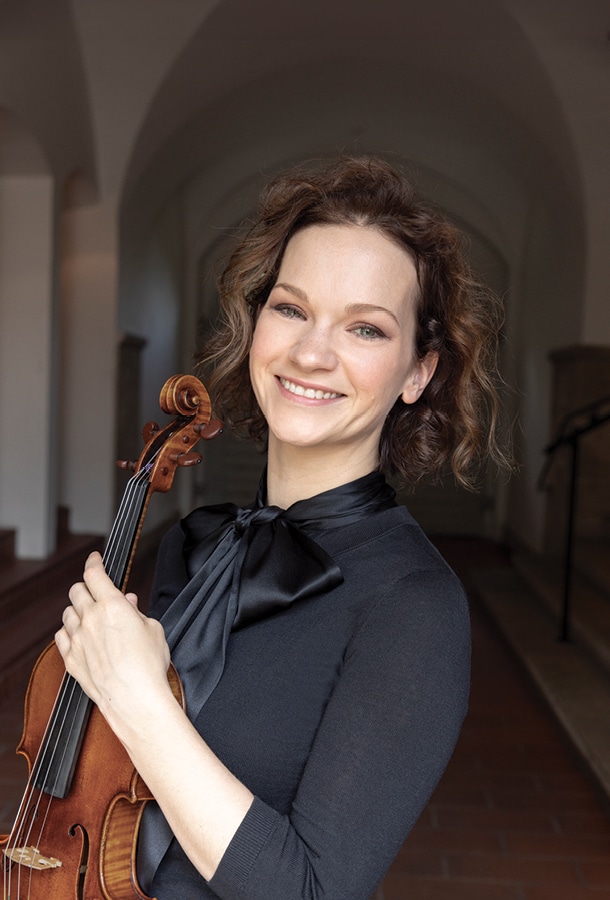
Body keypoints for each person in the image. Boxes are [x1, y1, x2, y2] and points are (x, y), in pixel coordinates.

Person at [56, 155, 507, 900]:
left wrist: (138, 699)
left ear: (418, 372)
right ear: (256, 320)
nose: (310, 352)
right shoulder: (193, 545)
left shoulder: (413, 606)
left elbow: (313, 892)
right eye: (291, 308)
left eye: (365, 328)